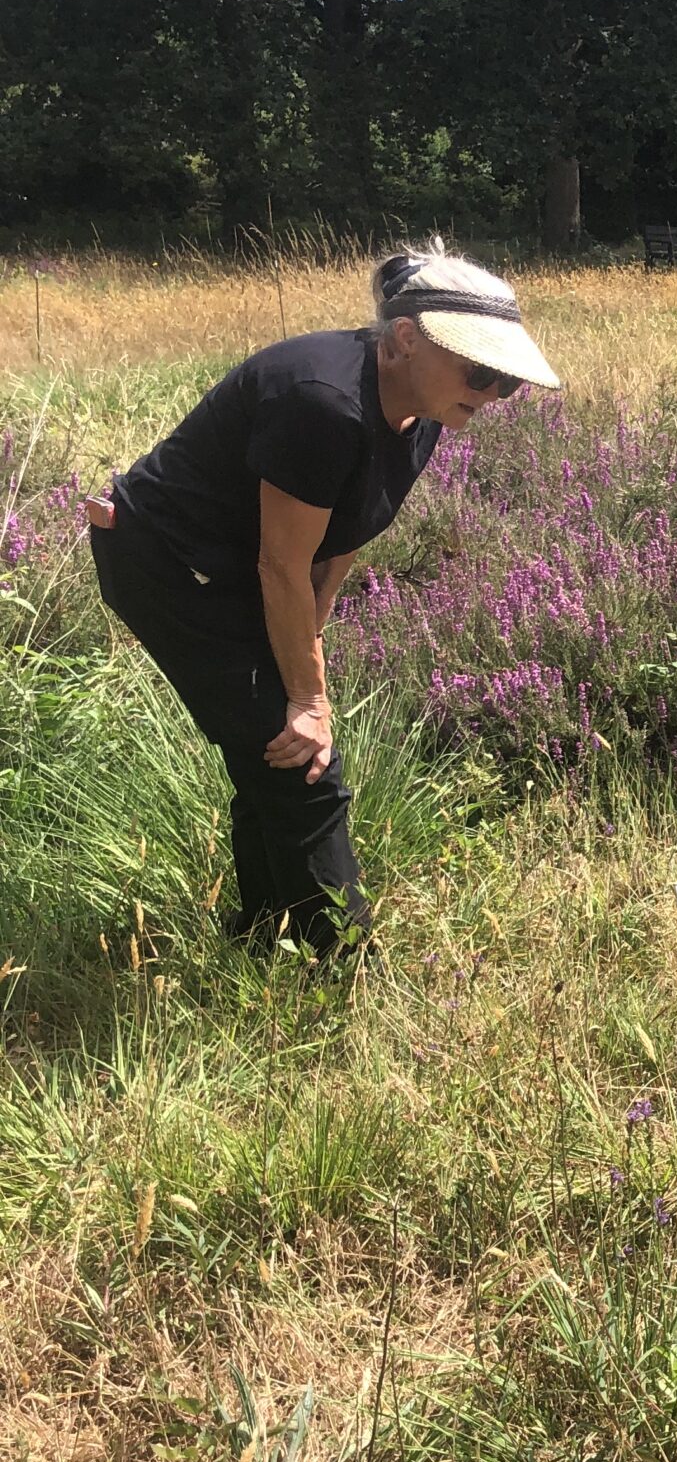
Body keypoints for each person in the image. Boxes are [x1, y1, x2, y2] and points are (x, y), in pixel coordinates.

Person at [84, 245, 559, 957]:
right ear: (406, 340)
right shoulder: (324, 403)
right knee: (303, 758)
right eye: (481, 372)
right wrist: (308, 696)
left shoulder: (423, 412)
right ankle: (337, 960)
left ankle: (261, 940)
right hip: (172, 566)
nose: (492, 395)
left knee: (269, 748)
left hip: (247, 564)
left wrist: (313, 628)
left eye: (507, 385)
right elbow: (280, 562)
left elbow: (348, 527)